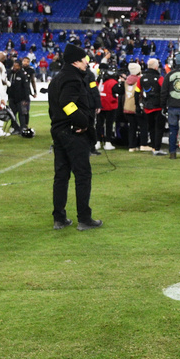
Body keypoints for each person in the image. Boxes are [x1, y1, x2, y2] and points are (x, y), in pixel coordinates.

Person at [48, 42, 102, 230]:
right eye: (83, 60)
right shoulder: (73, 79)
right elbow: (67, 103)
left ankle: (59, 218)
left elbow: (55, 106)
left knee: (61, 175)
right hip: (73, 133)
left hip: (58, 130)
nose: (86, 63)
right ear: (75, 62)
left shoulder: (57, 78)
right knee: (82, 175)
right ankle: (84, 219)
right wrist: (83, 123)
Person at [140, 58, 165, 155]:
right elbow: (164, 91)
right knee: (159, 128)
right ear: (156, 67)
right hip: (158, 107)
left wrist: (139, 105)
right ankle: (157, 148)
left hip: (147, 107)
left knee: (151, 128)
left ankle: (153, 147)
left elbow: (137, 92)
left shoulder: (142, 78)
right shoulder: (160, 78)